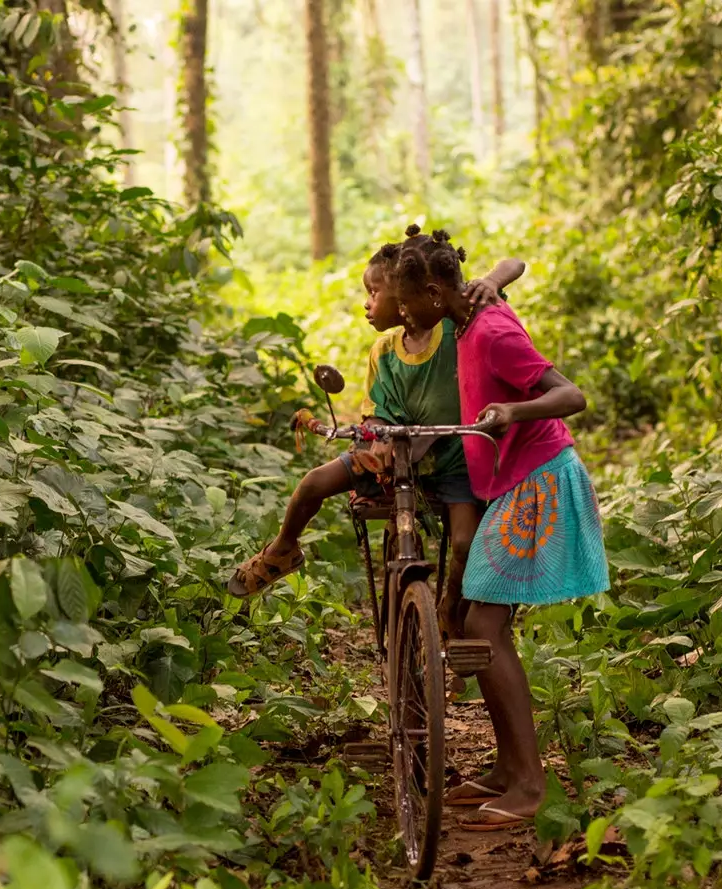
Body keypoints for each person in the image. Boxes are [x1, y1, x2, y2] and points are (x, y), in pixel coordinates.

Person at [388, 230, 609, 831]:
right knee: (477, 623)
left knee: (483, 625)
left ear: (436, 292)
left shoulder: (491, 330)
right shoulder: (465, 319)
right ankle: (510, 770)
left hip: (538, 480)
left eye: (409, 305)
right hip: (510, 485)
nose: (406, 316)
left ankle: (532, 785)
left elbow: (572, 395)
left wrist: (514, 412)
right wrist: (500, 274)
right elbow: (504, 270)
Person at [227, 229, 526, 624]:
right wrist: (377, 439)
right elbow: (378, 410)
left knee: (465, 543)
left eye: (374, 293)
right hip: (397, 457)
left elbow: (514, 264)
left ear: (408, 296)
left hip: (455, 460)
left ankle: (451, 609)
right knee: (314, 483)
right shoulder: (384, 352)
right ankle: (283, 548)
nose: (368, 304)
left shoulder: (452, 324)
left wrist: (490, 281)